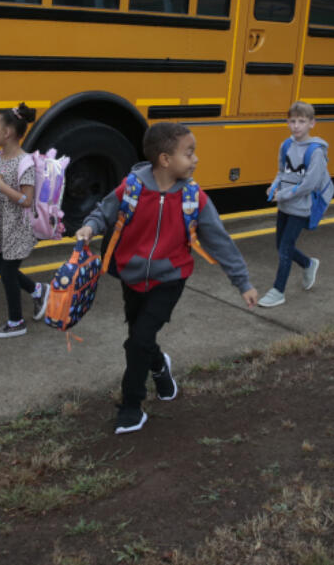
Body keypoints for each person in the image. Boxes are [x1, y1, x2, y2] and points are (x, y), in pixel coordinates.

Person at [75, 122, 258, 434]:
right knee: (139, 337)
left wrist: (243, 282)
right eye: (189, 153)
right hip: (131, 276)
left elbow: (219, 241)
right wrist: (89, 227)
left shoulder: (193, 198)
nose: (195, 159)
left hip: (170, 278)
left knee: (137, 341)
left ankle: (132, 406)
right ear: (165, 160)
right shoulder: (132, 188)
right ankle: (160, 368)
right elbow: (104, 212)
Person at [0, 103, 47, 338]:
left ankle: (16, 321)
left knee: (7, 271)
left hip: (17, 227)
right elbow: (1, 177)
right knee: (1, 267)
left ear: (6, 133)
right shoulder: (0, 155)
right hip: (2, 223)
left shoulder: (24, 162)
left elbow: (26, 200)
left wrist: (0, 185)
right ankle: (38, 290)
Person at [260, 101, 327, 308]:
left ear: (312, 124)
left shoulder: (316, 152)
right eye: (292, 121)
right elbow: (282, 172)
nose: (296, 126)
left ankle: (278, 291)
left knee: (285, 248)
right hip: (285, 205)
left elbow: (310, 184)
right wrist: (273, 188)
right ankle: (308, 263)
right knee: (280, 245)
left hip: (301, 207)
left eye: (301, 121)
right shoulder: (286, 145)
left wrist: (284, 194)